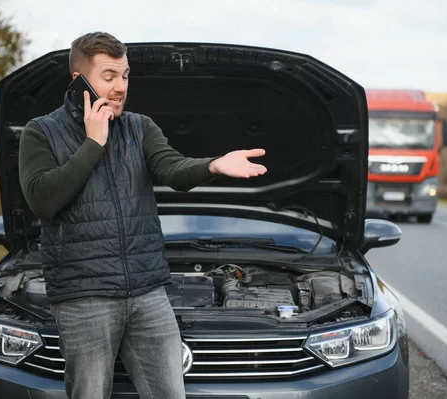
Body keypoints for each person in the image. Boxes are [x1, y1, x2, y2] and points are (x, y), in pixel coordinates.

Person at [18, 31, 267, 399]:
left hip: (148, 292)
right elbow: (43, 200)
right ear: (78, 80)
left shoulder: (138, 127)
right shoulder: (41, 132)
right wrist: (93, 143)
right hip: (84, 296)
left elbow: (172, 169)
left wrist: (213, 165)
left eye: (125, 75)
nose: (120, 87)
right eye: (109, 76)